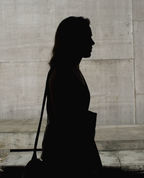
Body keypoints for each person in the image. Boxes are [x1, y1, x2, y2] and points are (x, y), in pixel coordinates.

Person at [41, 16, 102, 178]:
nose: (92, 43)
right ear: (74, 40)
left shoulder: (68, 69)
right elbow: (70, 126)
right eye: (87, 37)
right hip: (67, 160)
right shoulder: (65, 73)